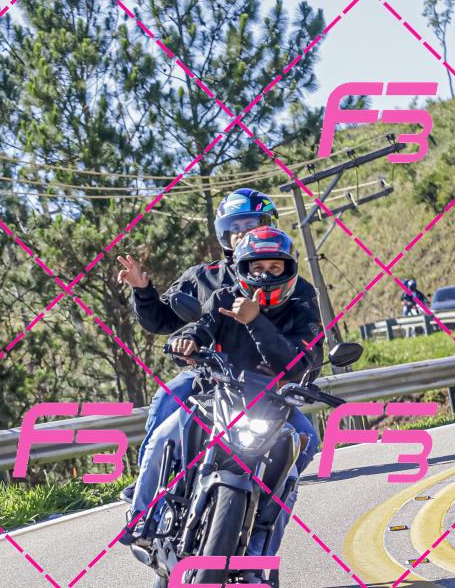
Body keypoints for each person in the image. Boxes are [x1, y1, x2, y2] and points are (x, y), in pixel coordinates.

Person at [121, 227, 322, 555]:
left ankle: (258, 553)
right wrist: (187, 342)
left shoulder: (301, 301)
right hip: (216, 395)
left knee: (299, 456)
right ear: (243, 268)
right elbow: (201, 327)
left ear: (288, 269)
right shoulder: (223, 296)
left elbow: (300, 360)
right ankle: (144, 519)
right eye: (258, 267)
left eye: (275, 268)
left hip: (270, 404)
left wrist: (255, 321)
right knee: (162, 438)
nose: (266, 275)